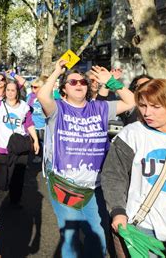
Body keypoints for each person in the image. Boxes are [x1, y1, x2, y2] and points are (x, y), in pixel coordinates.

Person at [37, 60, 135, 257]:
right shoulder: (57, 109)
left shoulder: (100, 108)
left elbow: (132, 102)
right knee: (71, 237)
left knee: (98, 235)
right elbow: (41, 95)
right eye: (73, 82)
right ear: (64, 89)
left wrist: (113, 83)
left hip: (96, 185)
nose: (79, 85)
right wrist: (57, 72)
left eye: (82, 82)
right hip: (64, 184)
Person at [101, 79, 166, 257]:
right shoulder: (131, 134)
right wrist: (118, 211)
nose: (147, 112)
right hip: (141, 227)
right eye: (142, 105)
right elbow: (113, 176)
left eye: (155, 106)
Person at [0, 79, 39, 205]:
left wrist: (35, 140)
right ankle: (3, 191)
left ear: (17, 92)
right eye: (8, 90)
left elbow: (29, 124)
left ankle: (15, 201)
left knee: (18, 177)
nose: (10, 92)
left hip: (19, 148)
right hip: (0, 148)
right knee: (2, 182)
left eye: (13, 90)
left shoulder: (24, 106)